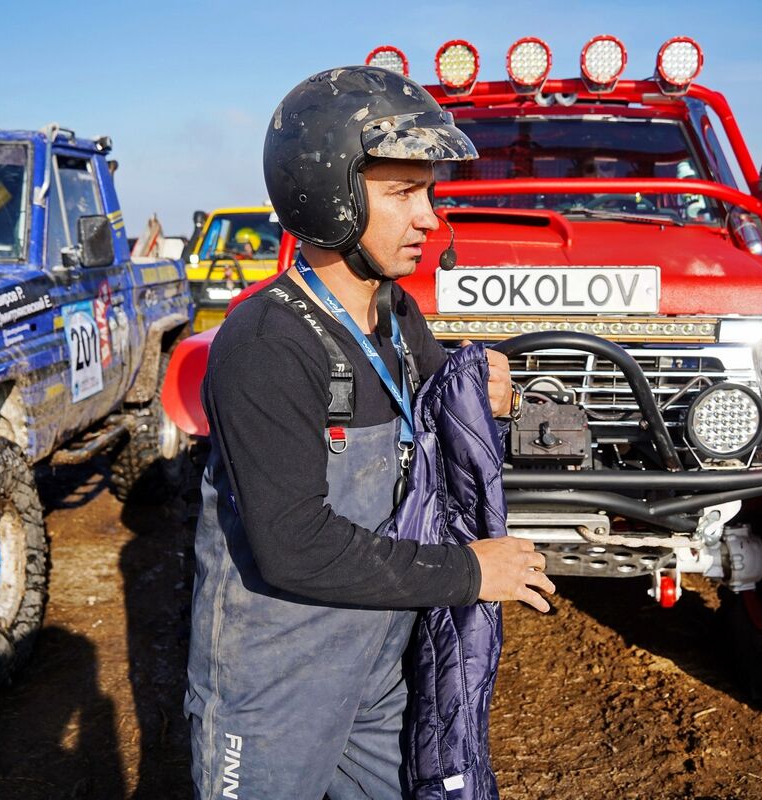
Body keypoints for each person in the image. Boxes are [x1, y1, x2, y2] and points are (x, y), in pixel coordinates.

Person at [184, 65, 555, 800]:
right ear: (329, 198)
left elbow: (433, 431)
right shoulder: (266, 341)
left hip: (380, 666)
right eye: (402, 193)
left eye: (429, 192)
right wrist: (472, 572)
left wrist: (487, 399)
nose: (430, 218)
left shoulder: (396, 320)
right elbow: (293, 545)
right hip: (273, 684)